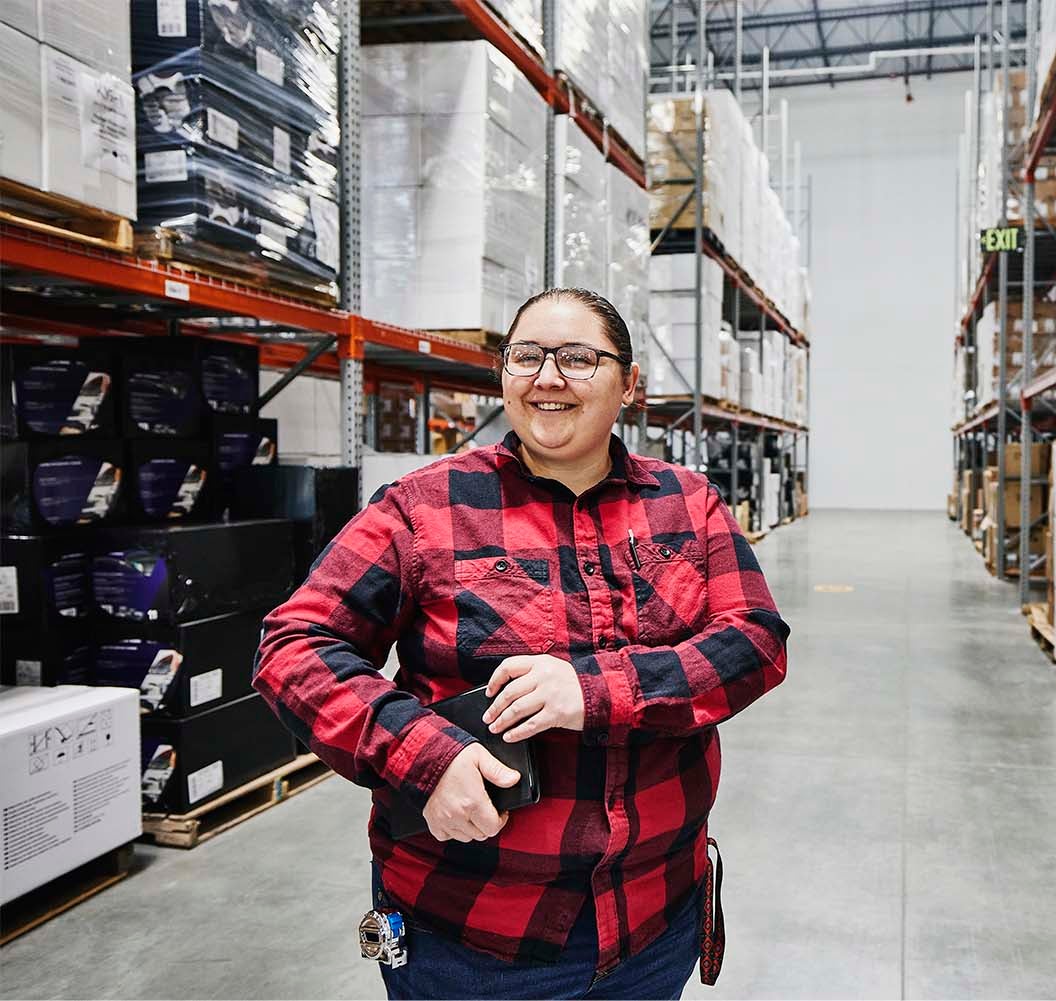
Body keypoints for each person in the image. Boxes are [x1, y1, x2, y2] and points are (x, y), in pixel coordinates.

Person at [254, 288, 790, 1000]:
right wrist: (422, 756)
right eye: (525, 356)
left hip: (655, 921)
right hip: (475, 941)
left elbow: (754, 640)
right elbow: (295, 643)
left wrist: (595, 690)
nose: (547, 376)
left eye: (576, 357)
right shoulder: (426, 506)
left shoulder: (686, 504)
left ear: (630, 384)